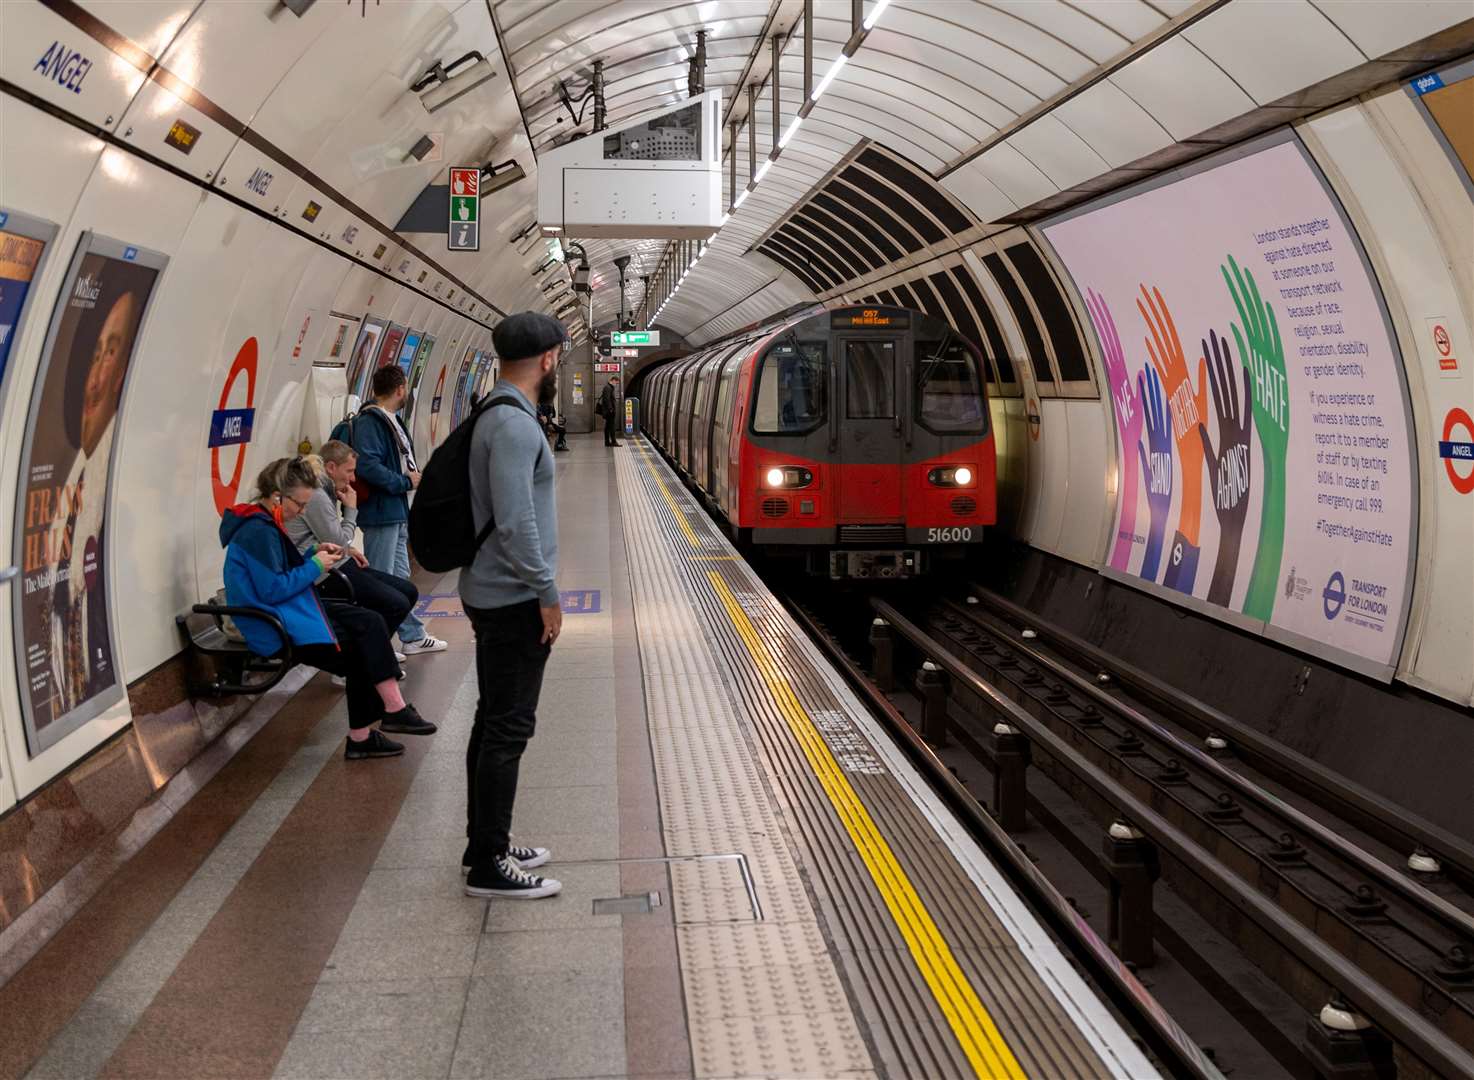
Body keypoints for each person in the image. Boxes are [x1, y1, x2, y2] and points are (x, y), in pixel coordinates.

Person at [220, 457, 437, 760]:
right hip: (273, 623)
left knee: (369, 625)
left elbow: (276, 572)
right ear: (278, 497)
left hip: (288, 609)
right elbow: (272, 589)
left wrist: (313, 552)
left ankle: (386, 716)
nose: (302, 511)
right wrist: (314, 566)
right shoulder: (258, 531)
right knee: (365, 640)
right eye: (300, 504)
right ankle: (377, 724)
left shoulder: (263, 522)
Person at [461, 312, 566, 900]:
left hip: (494, 592)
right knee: (508, 729)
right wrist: (546, 594)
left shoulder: (497, 413)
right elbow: (516, 521)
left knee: (491, 720)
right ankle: (489, 865)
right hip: (512, 599)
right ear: (549, 359)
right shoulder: (517, 427)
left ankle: (486, 843)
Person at [285, 441, 417, 671]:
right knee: (396, 603)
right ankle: (365, 661)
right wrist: (351, 510)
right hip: (325, 574)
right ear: (331, 468)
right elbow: (338, 541)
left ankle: (373, 654)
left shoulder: (322, 491)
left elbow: (337, 541)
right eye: (349, 471)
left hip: (338, 563)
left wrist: (349, 548)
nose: (353, 479)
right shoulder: (316, 495)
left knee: (408, 591)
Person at [351, 365, 447, 655]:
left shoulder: (391, 420)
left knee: (399, 577)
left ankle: (411, 634)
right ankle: (377, 643)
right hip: (381, 511)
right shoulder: (371, 422)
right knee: (381, 578)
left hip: (396, 509)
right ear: (400, 389)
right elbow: (367, 466)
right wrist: (403, 481)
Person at [597, 375, 622, 447]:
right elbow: (606, 399)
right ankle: (613, 442)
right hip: (609, 412)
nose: (616, 384)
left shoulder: (609, 387)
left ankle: (607, 442)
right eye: (616, 383)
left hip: (608, 411)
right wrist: (611, 409)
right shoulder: (608, 388)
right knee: (611, 427)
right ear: (613, 380)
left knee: (608, 427)